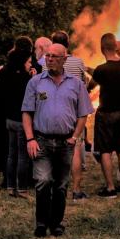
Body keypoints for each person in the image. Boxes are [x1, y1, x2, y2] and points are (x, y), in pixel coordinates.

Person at [22, 43, 93, 237]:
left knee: (61, 185)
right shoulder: (36, 82)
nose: (50, 59)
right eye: (48, 56)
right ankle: (41, 223)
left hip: (65, 143)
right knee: (43, 181)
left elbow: (83, 113)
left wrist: (75, 137)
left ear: (64, 59)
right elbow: (27, 112)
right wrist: (30, 139)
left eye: (54, 56)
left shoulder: (76, 84)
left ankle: (56, 223)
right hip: (42, 140)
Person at [48, 31, 90, 200]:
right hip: (72, 110)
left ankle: (54, 185)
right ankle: (76, 189)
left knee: (52, 150)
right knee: (75, 150)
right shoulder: (78, 62)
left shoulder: (48, 62)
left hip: (53, 109)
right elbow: (84, 82)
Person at [91, 33, 120, 198]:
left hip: (106, 113)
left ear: (102, 48)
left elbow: (90, 85)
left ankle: (110, 188)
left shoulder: (101, 69)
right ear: (115, 47)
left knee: (105, 150)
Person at [0, 48, 33, 197]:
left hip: (9, 119)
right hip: (22, 120)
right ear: (22, 62)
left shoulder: (4, 72)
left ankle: (10, 186)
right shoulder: (25, 78)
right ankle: (22, 187)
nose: (30, 64)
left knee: (11, 154)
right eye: (29, 62)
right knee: (23, 156)